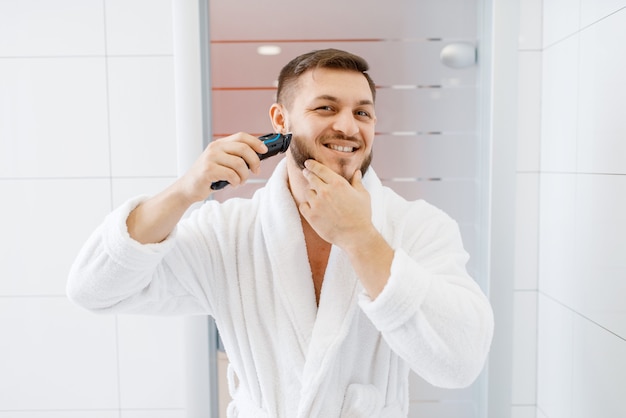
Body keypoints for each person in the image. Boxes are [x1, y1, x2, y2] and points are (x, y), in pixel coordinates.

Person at [67, 48, 493, 418]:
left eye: (362, 112)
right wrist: (184, 191)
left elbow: (460, 363)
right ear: (280, 120)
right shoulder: (230, 233)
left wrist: (361, 238)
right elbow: (93, 289)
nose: (348, 126)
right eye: (325, 108)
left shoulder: (417, 228)